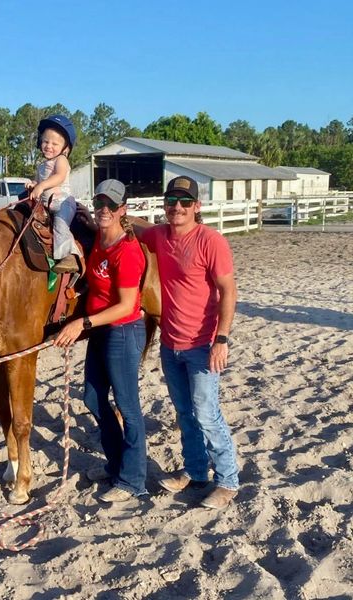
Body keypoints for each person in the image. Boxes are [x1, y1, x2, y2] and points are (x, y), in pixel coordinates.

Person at [135, 175, 239, 510]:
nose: (176, 207)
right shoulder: (160, 235)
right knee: (184, 413)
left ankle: (227, 480)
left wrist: (221, 339)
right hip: (171, 344)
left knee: (207, 414)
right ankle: (196, 472)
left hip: (202, 344)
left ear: (197, 206)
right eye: (171, 201)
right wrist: (92, 214)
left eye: (184, 201)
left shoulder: (211, 241)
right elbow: (134, 227)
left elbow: (228, 291)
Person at [54, 179, 148, 503]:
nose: (103, 210)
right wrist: (76, 293)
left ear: (123, 209)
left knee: (128, 407)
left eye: (111, 204)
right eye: (99, 203)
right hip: (100, 331)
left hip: (122, 331)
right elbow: (97, 284)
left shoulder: (127, 250)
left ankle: (133, 480)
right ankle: (116, 463)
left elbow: (125, 304)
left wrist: (82, 322)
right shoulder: (100, 243)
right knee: (93, 398)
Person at [27, 114, 81, 273]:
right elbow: (39, 182)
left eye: (55, 143)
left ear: (65, 148)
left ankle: (69, 256)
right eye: (45, 141)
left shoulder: (61, 160)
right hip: (45, 205)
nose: (49, 146)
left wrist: (41, 186)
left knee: (60, 225)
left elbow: (59, 176)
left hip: (62, 202)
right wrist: (34, 185)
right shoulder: (41, 166)